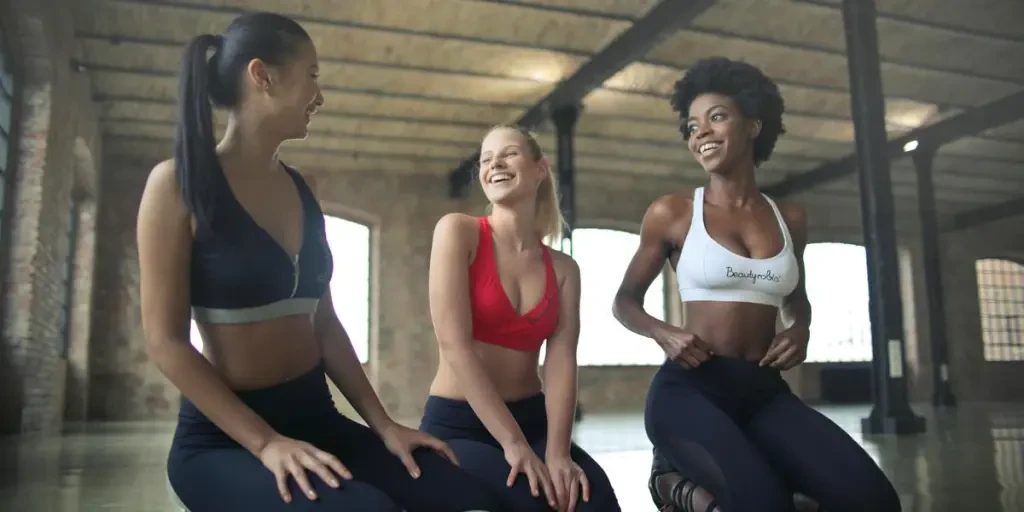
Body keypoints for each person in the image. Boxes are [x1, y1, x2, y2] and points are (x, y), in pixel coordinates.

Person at [136, 12, 505, 512]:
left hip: (319, 418)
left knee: (464, 496)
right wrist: (266, 444)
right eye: (311, 74)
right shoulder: (175, 185)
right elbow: (166, 342)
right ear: (262, 75)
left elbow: (325, 325)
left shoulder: (303, 189)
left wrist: (385, 426)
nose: (320, 95)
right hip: (225, 442)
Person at [611, 57, 902, 512]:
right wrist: (662, 332)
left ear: (753, 125)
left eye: (717, 117)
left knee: (874, 500)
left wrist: (800, 329)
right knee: (763, 504)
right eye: (691, 125)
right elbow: (625, 302)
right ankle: (673, 480)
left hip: (765, 393)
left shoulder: (791, 218)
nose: (700, 132)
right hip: (690, 391)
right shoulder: (674, 212)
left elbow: (796, 300)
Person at [419, 124, 621, 512]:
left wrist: (559, 452)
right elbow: (455, 347)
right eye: (485, 158)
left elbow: (561, 362)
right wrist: (514, 445)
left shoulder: (564, 269)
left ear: (539, 169)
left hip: (533, 420)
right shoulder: (458, 232)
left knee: (596, 500)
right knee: (535, 502)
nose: (494, 163)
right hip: (461, 426)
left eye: (508, 153)